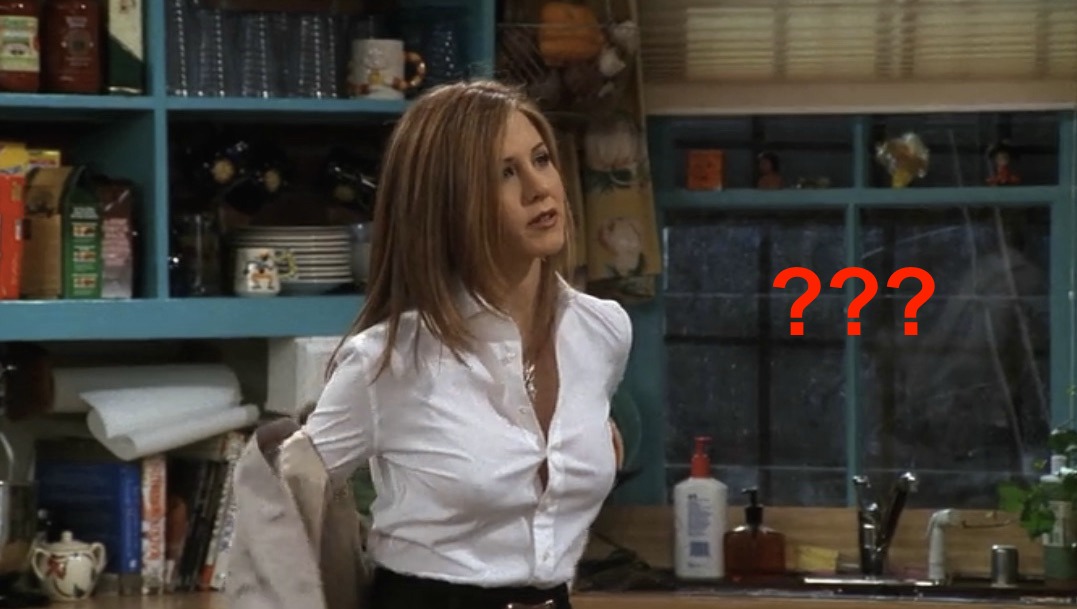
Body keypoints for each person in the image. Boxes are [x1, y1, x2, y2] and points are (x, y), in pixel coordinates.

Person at [302, 79, 634, 609]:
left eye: (541, 159)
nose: (538, 188)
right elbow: (280, 504)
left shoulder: (602, 331)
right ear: (450, 205)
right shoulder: (389, 360)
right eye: (505, 173)